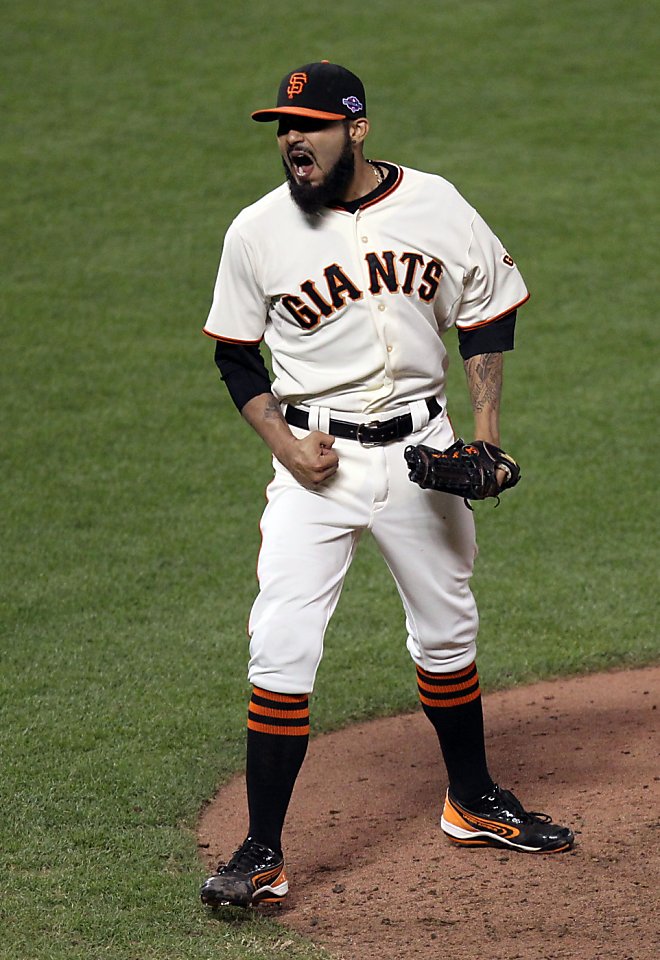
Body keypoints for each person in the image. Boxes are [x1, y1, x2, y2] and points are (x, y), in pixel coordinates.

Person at [200, 61, 573, 909]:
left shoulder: (435, 203)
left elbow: (486, 313)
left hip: (421, 452)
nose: (293, 138)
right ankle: (262, 851)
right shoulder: (255, 231)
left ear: (356, 130)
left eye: (311, 124)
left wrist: (484, 437)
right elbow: (233, 353)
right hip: (314, 467)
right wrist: (284, 446)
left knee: (447, 631)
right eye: (283, 126)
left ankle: (471, 799)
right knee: (281, 646)